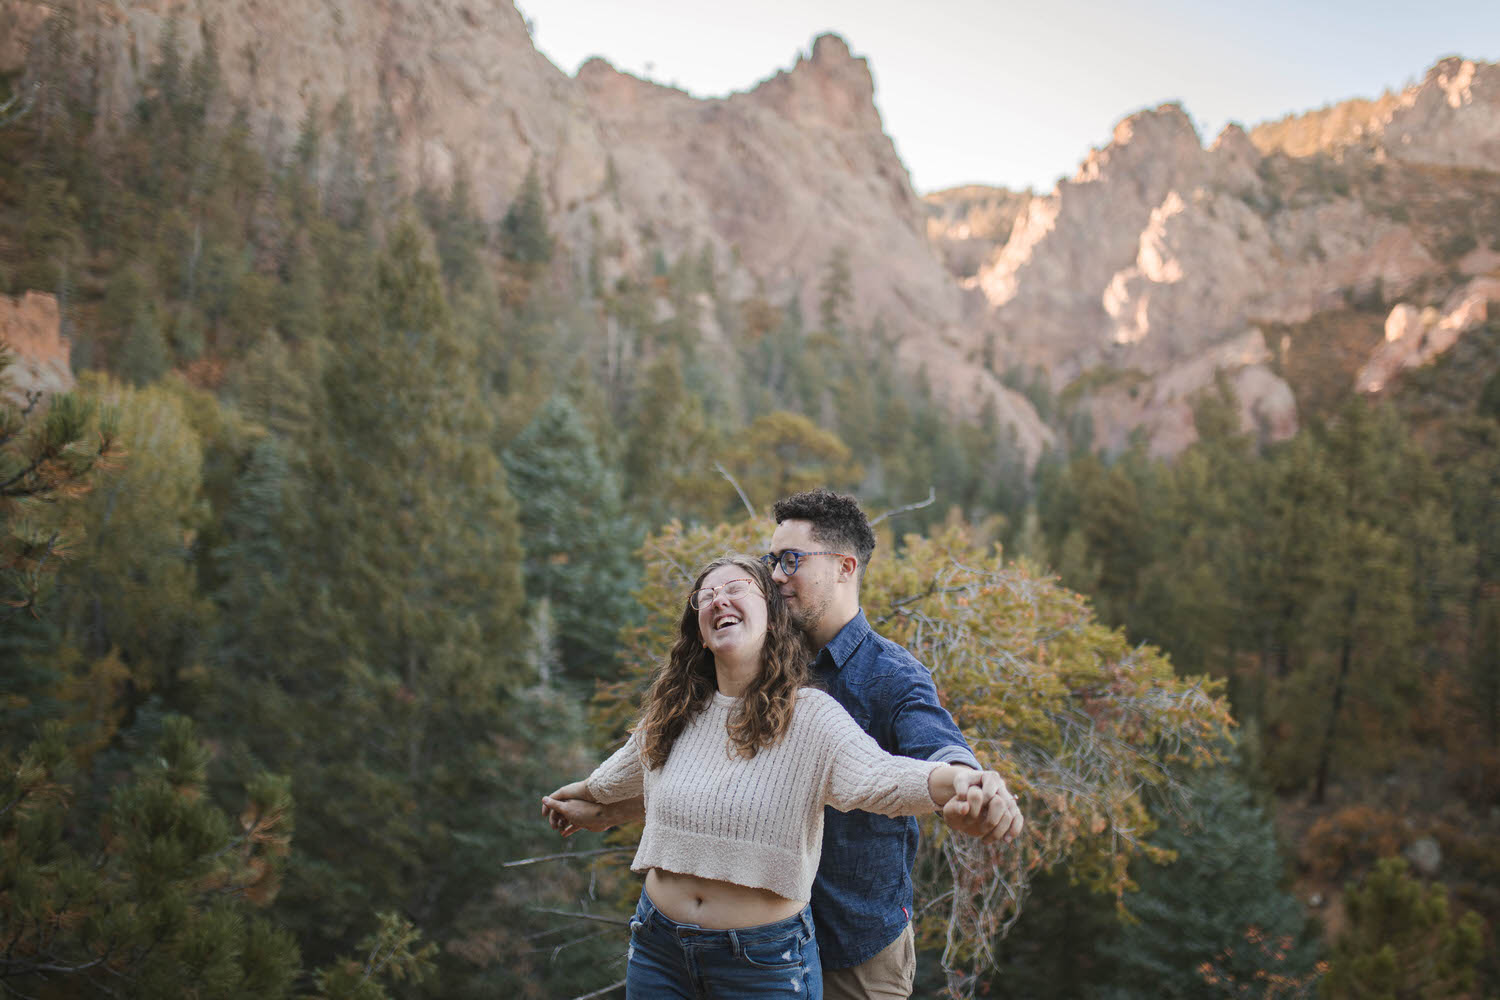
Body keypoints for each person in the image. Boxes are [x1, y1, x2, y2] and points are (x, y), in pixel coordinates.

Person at [545, 489, 1023, 999]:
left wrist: (967, 788)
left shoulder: (891, 676)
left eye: (790, 560)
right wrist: (618, 804)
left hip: (849, 944)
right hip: (691, 941)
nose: (774, 575)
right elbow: (720, 776)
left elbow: (916, 761)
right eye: (771, 562)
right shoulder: (736, 666)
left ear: (844, 566)